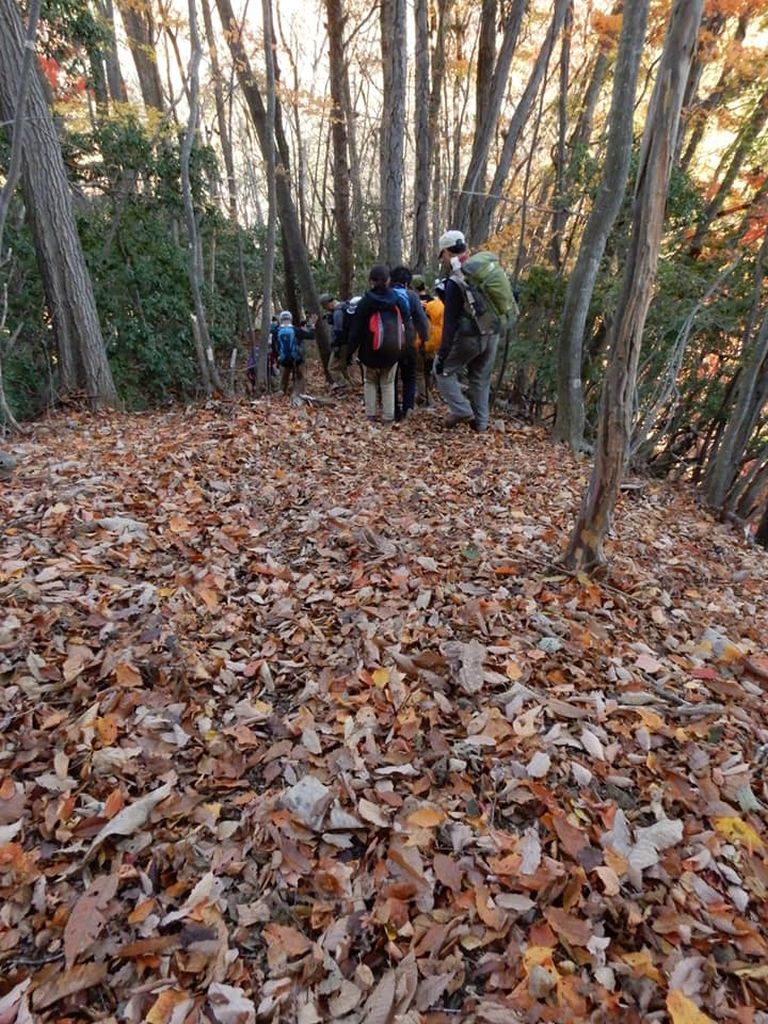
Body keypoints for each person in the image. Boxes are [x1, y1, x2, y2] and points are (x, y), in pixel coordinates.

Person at [433, 229, 499, 432]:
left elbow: (451, 322)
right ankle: (481, 424)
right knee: (480, 378)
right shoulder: (485, 269)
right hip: (493, 332)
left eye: (442, 255)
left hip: (470, 336)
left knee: (441, 371)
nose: (442, 259)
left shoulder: (455, 281)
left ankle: (461, 410)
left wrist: (443, 353)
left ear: (446, 252)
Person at [347, 265, 404, 424]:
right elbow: (406, 321)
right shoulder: (396, 299)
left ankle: (371, 415)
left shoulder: (365, 302)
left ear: (371, 281)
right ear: (388, 280)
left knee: (370, 382)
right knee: (388, 383)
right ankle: (388, 417)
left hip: (369, 351)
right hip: (392, 350)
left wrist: (350, 352)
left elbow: (356, 330)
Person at [390, 266, 428, 420]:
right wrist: (424, 339)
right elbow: (421, 320)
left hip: (389, 343)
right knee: (409, 377)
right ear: (408, 282)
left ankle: (393, 410)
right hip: (408, 342)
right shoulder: (411, 296)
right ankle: (408, 410)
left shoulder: (385, 294)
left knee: (390, 377)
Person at [273, 310, 314, 396]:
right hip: (297, 359)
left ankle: (282, 391)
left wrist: (276, 358)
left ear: (281, 319)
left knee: (284, 378)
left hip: (283, 360)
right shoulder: (295, 330)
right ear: (291, 319)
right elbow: (311, 336)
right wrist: (312, 325)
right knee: (300, 377)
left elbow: (274, 346)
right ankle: (299, 393)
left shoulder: (276, 331)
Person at [421, 279, 445, 406]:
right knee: (428, 371)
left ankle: (426, 398)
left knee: (419, 372)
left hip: (424, 343)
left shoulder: (425, 306)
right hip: (436, 344)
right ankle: (428, 394)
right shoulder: (439, 305)